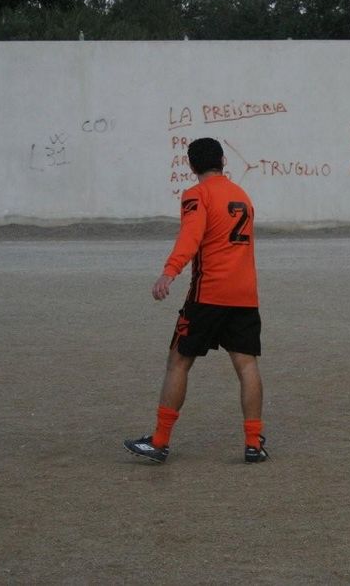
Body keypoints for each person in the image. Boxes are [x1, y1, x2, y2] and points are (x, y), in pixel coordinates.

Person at [124, 137, 268, 464]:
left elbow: (190, 237)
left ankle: (159, 441)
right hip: (245, 295)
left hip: (209, 294)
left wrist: (169, 272)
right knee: (246, 365)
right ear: (223, 161)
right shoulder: (242, 196)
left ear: (191, 165)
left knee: (178, 361)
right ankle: (253, 443)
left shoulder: (197, 195)